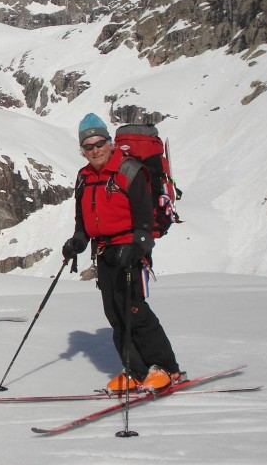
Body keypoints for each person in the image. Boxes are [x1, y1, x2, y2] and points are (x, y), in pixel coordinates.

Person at [62, 114, 181, 392]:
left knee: (134, 309)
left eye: (99, 143)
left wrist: (137, 246)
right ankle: (137, 371)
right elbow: (83, 220)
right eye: (88, 146)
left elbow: (144, 219)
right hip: (104, 250)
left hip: (131, 248)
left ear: (110, 142)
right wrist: (78, 241)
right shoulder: (84, 176)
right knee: (114, 313)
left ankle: (166, 368)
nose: (95, 150)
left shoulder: (130, 170)